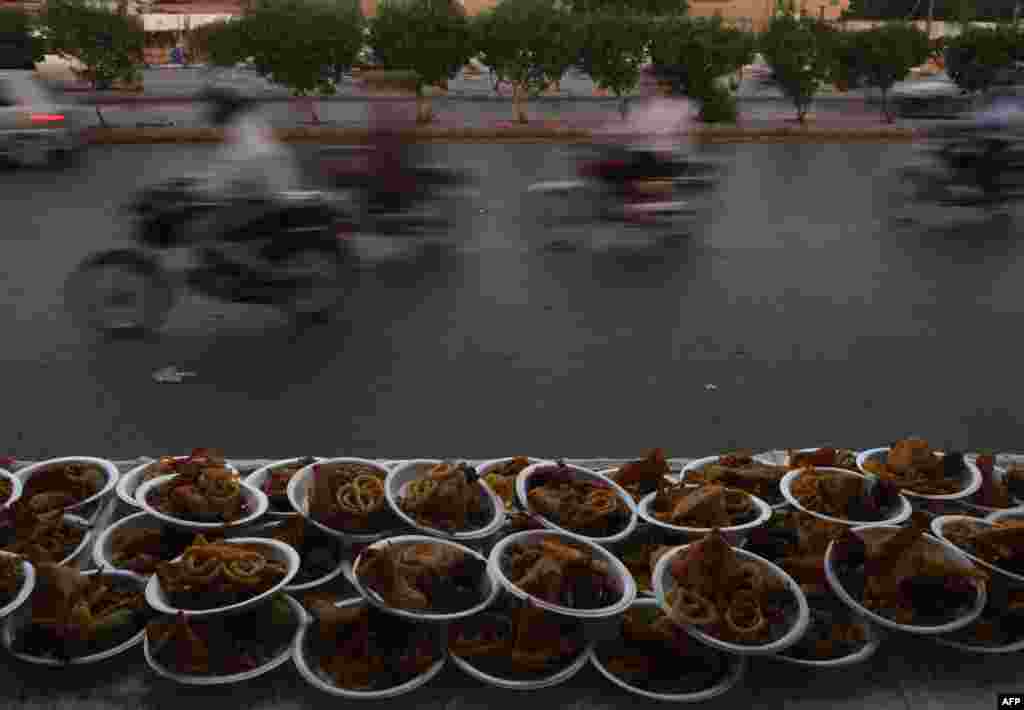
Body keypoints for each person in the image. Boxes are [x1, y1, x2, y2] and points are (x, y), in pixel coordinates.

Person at [191, 87, 306, 273]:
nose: (206, 113)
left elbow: (242, 162)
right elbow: (228, 162)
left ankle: (261, 273)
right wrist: (202, 181)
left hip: (269, 195)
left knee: (205, 228)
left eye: (210, 108)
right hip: (271, 189)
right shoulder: (247, 122)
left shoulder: (242, 128)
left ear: (221, 108)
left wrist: (206, 188)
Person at [590, 67, 698, 221]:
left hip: (665, 160)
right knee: (605, 164)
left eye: (648, 83)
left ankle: (636, 201)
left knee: (612, 167)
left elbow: (678, 128)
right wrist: (600, 134)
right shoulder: (638, 108)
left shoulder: (676, 106)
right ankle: (631, 200)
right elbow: (625, 128)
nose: (644, 87)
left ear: (660, 85)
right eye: (642, 83)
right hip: (643, 156)